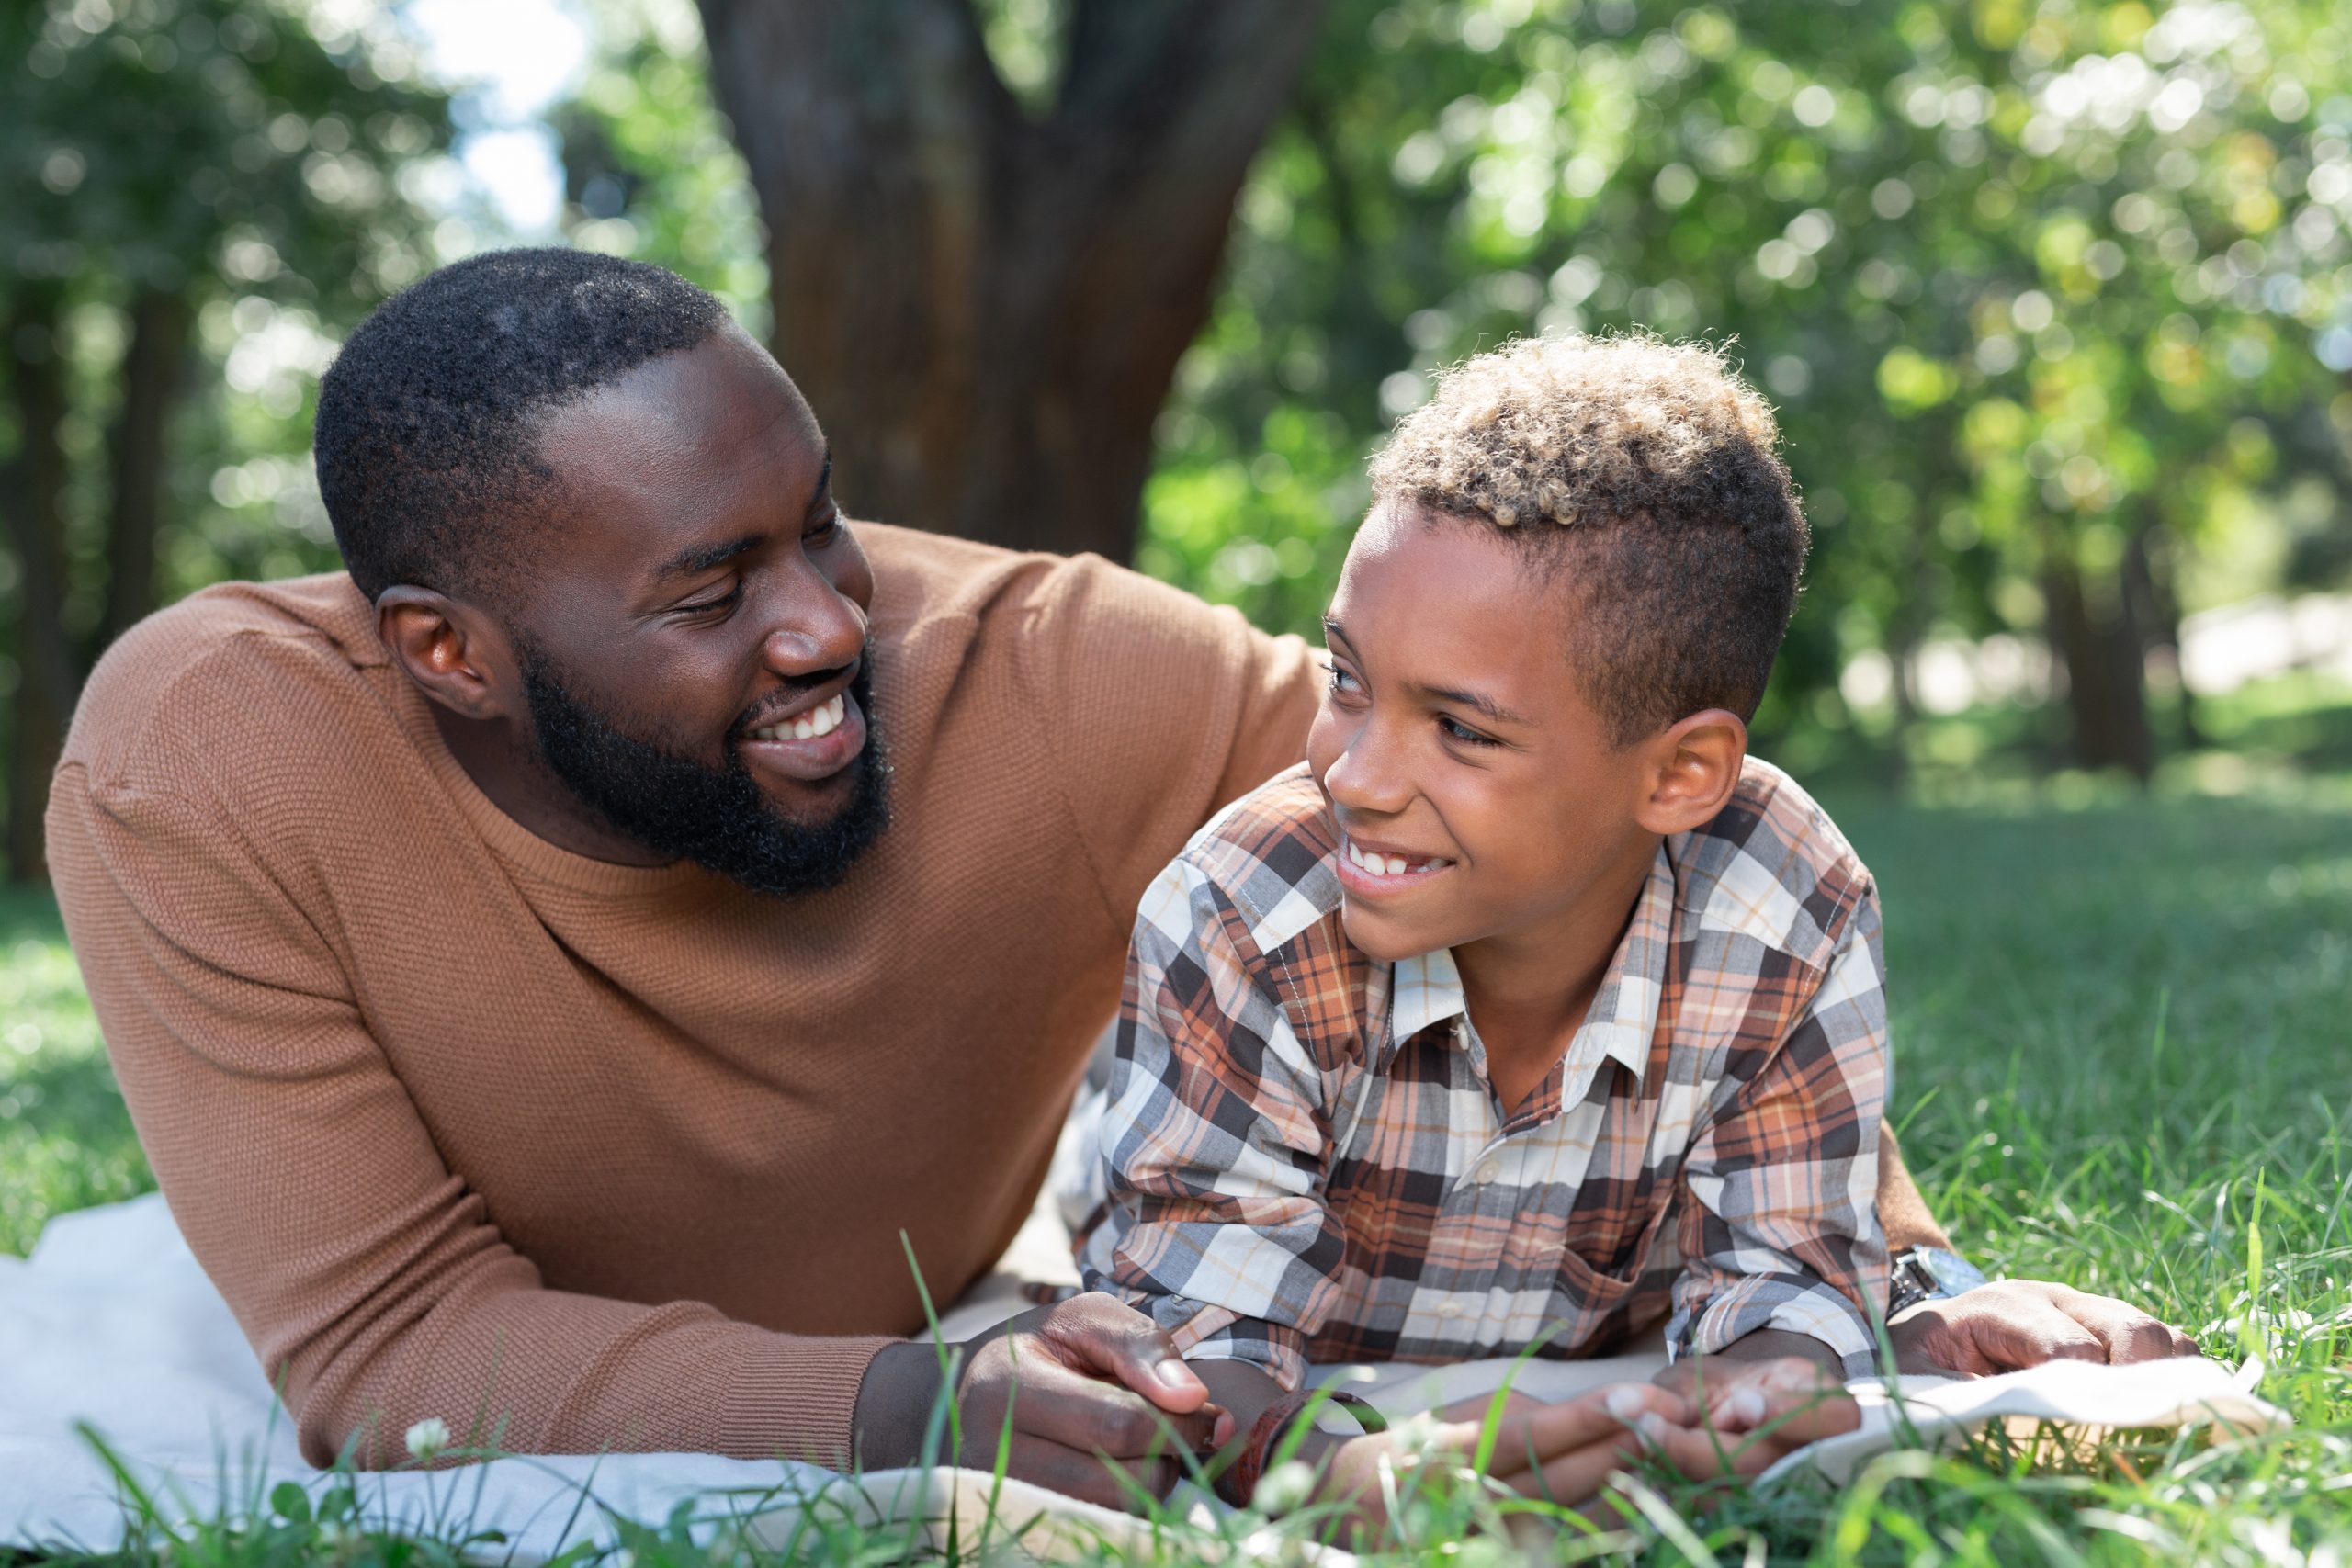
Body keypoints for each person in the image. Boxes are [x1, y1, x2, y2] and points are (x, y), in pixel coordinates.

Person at [46, 251, 2190, 1508]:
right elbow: (387, 1340)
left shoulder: (1042, 667)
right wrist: (916, 1399)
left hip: (987, 1254)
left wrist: (1900, 1278)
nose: (820, 625)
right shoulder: (206, 761)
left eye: (818, 527)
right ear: (446, 649)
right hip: (607, 1308)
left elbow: (1585, 833)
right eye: (711, 585)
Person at [1077, 333, 2192, 1515]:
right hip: (1221, 1261)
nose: (1352, 776)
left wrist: (1745, 1407)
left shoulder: (1779, 904)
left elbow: (1787, 1284)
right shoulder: (1244, 916)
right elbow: (1199, 1368)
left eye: (1461, 729)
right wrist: (1340, 1473)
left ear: (1679, 775)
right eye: (1347, 678)